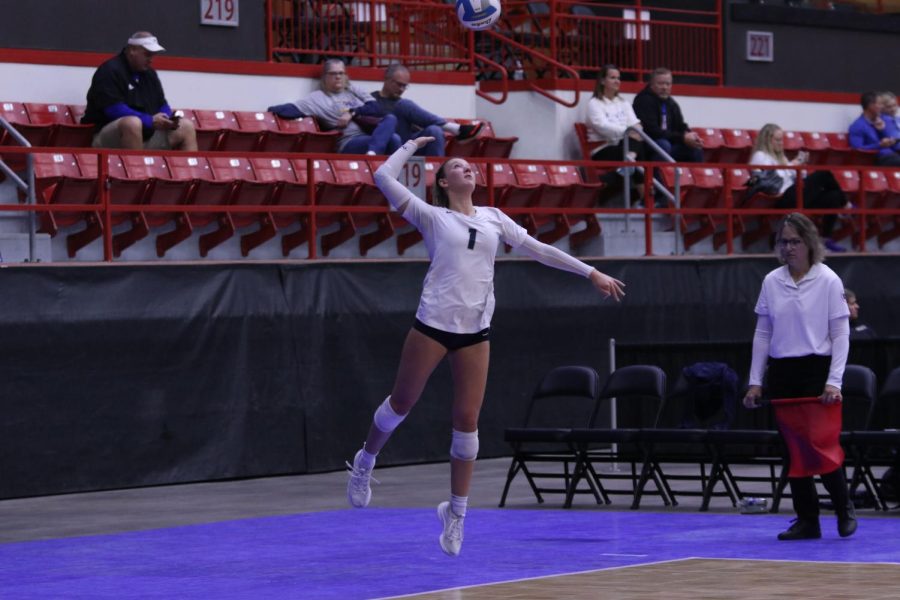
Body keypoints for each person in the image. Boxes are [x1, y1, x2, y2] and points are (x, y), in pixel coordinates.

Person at [345, 136, 625, 557]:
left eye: (468, 166)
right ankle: (365, 461)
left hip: (476, 330)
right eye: (456, 167)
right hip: (433, 324)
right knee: (402, 403)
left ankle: (456, 515)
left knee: (468, 421)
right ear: (442, 182)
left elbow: (540, 250)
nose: (466, 169)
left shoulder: (495, 218)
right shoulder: (433, 216)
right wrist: (412, 144)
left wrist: (590, 273)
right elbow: (382, 176)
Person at [743, 212, 855, 541]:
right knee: (793, 451)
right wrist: (755, 380)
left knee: (821, 446)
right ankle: (808, 520)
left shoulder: (829, 280)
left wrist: (834, 381)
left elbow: (841, 334)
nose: (788, 248)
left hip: (816, 371)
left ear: (809, 243)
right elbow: (762, 333)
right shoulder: (771, 281)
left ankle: (844, 508)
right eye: (783, 242)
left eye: (795, 241)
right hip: (783, 371)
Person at [82, 32, 197, 151]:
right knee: (132, 123)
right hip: (106, 138)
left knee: (186, 126)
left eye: (153, 55)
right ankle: (136, 169)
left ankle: (191, 169)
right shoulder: (110, 71)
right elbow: (113, 110)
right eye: (147, 54)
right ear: (132, 50)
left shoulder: (149, 74)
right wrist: (149, 120)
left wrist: (167, 119)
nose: (151, 60)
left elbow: (162, 104)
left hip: (145, 135)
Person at [267, 59, 401, 155]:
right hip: (349, 141)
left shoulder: (352, 90)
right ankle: (374, 159)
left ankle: (374, 156)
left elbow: (376, 109)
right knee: (393, 139)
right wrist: (269, 111)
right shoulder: (317, 98)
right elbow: (289, 109)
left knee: (392, 122)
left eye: (341, 73)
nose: (338, 77)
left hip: (369, 134)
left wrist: (352, 113)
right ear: (325, 77)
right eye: (333, 73)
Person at [750, 123, 849, 252]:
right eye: (778, 140)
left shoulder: (781, 157)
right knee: (824, 174)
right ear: (767, 140)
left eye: (782, 140)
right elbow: (769, 180)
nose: (781, 143)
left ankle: (826, 239)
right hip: (781, 198)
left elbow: (793, 177)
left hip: (794, 194)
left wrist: (799, 166)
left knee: (833, 196)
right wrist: (792, 166)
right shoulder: (760, 156)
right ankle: (847, 205)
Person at [370, 64, 484, 157]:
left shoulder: (401, 104)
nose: (402, 90)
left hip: (408, 144)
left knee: (434, 131)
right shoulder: (371, 100)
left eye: (405, 86)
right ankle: (456, 129)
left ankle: (438, 176)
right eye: (399, 85)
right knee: (404, 104)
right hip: (389, 143)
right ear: (386, 79)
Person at [632, 67, 704, 163]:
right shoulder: (643, 101)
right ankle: (655, 177)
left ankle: (693, 177)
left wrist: (690, 135)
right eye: (660, 83)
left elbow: (680, 125)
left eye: (668, 84)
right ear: (651, 85)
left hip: (668, 143)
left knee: (695, 148)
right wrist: (682, 138)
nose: (664, 87)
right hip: (646, 145)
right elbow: (653, 132)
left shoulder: (671, 103)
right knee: (663, 145)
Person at [584, 64, 644, 164]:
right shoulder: (594, 103)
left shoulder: (624, 103)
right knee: (636, 149)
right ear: (602, 81)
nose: (617, 81)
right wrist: (627, 132)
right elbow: (602, 127)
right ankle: (630, 166)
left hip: (624, 144)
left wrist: (635, 131)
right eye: (612, 78)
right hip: (602, 148)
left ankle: (625, 168)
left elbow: (635, 124)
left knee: (642, 145)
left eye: (618, 78)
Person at [848, 91, 900, 167]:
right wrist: (879, 145)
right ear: (871, 106)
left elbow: (888, 141)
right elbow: (857, 150)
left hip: (892, 155)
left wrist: (882, 131)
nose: (882, 107)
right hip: (878, 158)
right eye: (879, 104)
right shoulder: (857, 126)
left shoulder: (879, 121)